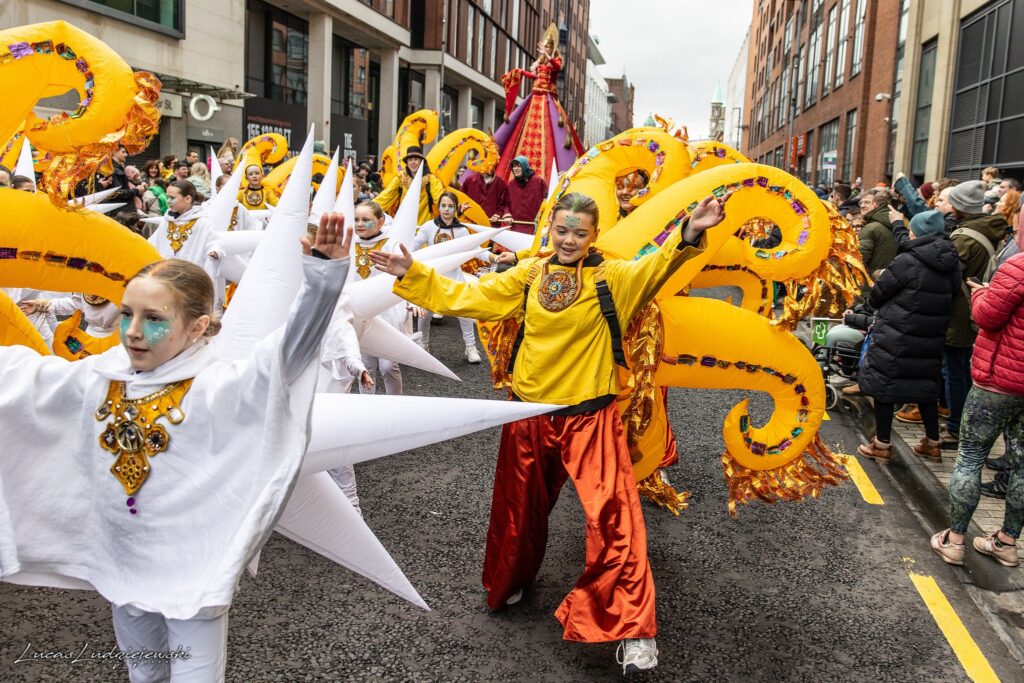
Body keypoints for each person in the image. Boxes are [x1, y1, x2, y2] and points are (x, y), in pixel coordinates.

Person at [371, 191, 727, 675]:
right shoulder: (530, 274)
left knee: (614, 520)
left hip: (591, 416)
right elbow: (472, 297)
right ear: (551, 229)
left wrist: (691, 229)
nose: (569, 240)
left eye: (580, 233)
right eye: (562, 230)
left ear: (594, 235)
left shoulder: (614, 278)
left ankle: (634, 628)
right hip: (530, 414)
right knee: (518, 511)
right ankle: (510, 580)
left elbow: (659, 265)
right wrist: (410, 273)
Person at [0, 213, 353, 682]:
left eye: (154, 319)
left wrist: (322, 282)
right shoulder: (97, 378)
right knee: (145, 676)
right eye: (127, 313)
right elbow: (18, 376)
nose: (132, 331)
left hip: (191, 568)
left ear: (197, 327)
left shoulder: (218, 387)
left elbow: (287, 354)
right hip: (123, 565)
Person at [930, 251, 1024, 569]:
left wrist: (981, 291)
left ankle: (955, 540)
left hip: (998, 383)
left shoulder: (1018, 266)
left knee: (970, 457)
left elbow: (987, 316)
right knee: (1023, 466)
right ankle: (1007, 542)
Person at [855, 211, 961, 463]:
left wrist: (871, 301)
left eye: (911, 228)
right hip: (931, 334)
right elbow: (954, 292)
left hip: (897, 333)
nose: (909, 232)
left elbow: (878, 294)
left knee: (884, 387)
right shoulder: (951, 261)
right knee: (925, 387)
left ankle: (881, 445)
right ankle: (932, 443)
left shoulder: (907, 261)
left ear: (918, 232)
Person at [942, 180, 1011, 451]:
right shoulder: (986, 229)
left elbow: (948, 274)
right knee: (961, 370)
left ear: (959, 207)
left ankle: (955, 427)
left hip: (959, 314)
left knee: (955, 371)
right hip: (973, 309)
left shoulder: (964, 237)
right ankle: (960, 422)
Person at [492, 23, 584, 181]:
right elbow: (534, 75)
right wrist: (520, 72)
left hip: (547, 97)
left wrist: (547, 56)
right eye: (545, 46)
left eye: (549, 46)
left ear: (552, 47)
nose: (546, 48)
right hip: (535, 96)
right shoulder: (540, 63)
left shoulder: (554, 61)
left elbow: (557, 66)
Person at [411, 191, 483, 363]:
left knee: (464, 312)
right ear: (438, 207)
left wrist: (493, 257)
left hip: (454, 278)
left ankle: (470, 347)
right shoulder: (429, 226)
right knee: (425, 313)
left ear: (455, 208)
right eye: (443, 205)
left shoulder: (462, 230)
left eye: (450, 206)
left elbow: (476, 249)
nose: (446, 209)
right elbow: (413, 245)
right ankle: (423, 345)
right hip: (432, 277)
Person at [352, 200, 407, 395]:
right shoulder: (349, 244)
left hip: (387, 312)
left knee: (388, 365)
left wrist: (413, 302)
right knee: (365, 366)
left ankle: (396, 407)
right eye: (356, 219)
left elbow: (405, 275)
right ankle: (368, 410)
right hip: (360, 312)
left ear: (381, 222)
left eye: (365, 219)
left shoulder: (391, 244)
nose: (359, 223)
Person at [373, 146, 446, 225]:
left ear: (421, 162)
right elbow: (386, 195)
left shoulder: (431, 180)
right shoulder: (400, 178)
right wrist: (368, 207)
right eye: (410, 160)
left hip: (423, 226)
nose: (413, 162)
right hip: (403, 224)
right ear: (407, 163)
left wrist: (455, 208)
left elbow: (440, 199)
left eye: (416, 159)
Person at [857, 188, 898, 274]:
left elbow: (858, 260)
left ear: (876, 204)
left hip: (870, 281)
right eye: (861, 202)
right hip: (888, 278)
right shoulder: (897, 223)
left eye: (867, 202)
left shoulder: (871, 228)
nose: (862, 205)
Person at [505, 156, 546, 234]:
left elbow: (547, 199)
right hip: (517, 227)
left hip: (535, 227)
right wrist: (507, 215)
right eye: (514, 166)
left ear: (525, 166)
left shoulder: (538, 181)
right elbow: (506, 203)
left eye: (519, 166)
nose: (515, 168)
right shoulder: (511, 184)